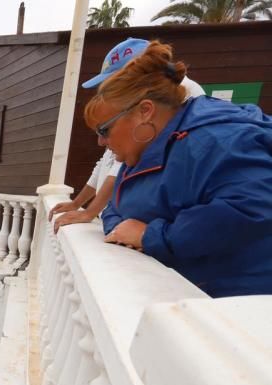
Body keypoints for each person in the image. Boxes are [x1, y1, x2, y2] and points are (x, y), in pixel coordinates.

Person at [83, 40, 272, 297]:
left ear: (145, 112)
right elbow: (116, 209)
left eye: (104, 130)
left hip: (243, 311)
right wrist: (127, 228)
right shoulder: (144, 150)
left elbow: (251, 205)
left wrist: (152, 235)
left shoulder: (216, 139)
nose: (101, 142)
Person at [52, 38, 206, 232]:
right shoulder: (138, 110)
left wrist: (89, 212)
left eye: (111, 81)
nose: (106, 91)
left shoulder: (183, 98)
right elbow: (108, 161)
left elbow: (119, 165)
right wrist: (79, 205)